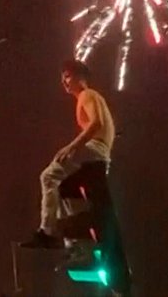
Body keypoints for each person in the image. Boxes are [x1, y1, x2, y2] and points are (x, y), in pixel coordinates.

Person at [21, 60, 116, 250]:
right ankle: (73, 243)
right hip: (102, 154)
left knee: (48, 177)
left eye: (67, 76)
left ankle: (47, 232)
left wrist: (72, 147)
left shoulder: (87, 95)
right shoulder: (95, 97)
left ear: (80, 77)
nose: (64, 82)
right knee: (61, 188)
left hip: (94, 150)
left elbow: (96, 123)